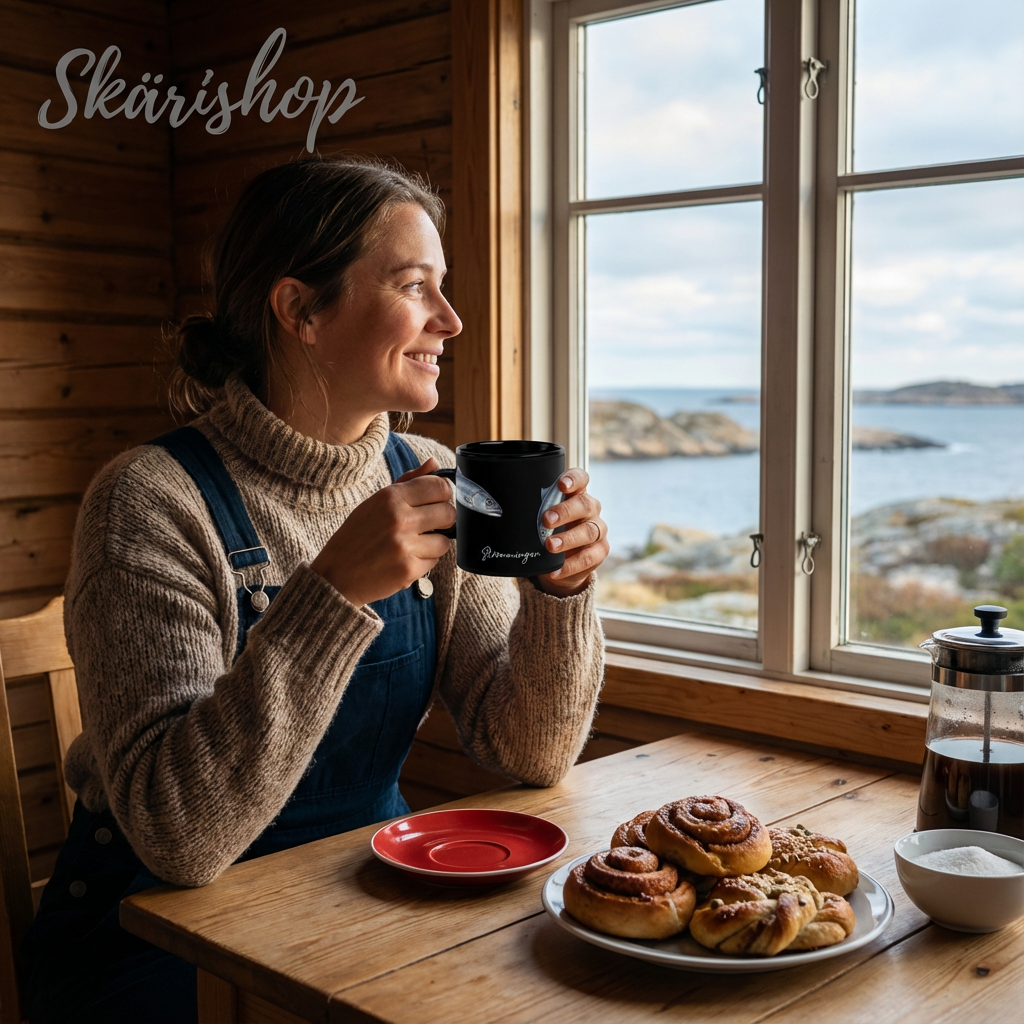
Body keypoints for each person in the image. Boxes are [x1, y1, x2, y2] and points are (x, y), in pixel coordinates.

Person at [21, 156, 608, 1024]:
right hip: (150, 936)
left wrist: (560, 597)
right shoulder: (148, 502)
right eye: (415, 286)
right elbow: (179, 837)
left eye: (443, 289)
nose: (451, 320)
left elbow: (529, 752)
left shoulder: (435, 474)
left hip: (355, 895)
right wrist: (333, 592)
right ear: (299, 309)